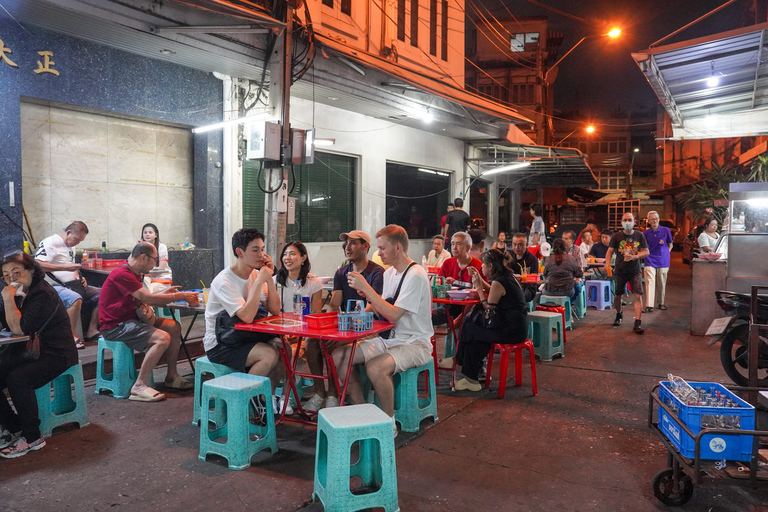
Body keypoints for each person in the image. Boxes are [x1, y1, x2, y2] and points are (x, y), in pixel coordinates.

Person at [331, 225, 433, 436]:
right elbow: (381, 309)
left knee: (376, 367)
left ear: (397, 247)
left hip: (415, 342)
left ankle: (388, 423)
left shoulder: (415, 274)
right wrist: (363, 304)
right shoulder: (389, 274)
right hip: (390, 339)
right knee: (339, 356)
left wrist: (367, 290)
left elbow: (394, 315)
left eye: (382, 248)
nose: (379, 253)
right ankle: (362, 410)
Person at [99, 242, 200, 402]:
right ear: (144, 257)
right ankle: (139, 386)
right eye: (154, 259)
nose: (155, 264)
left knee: (174, 327)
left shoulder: (135, 273)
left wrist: (167, 293)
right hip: (115, 326)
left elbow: (145, 298)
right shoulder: (122, 273)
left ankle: (171, 376)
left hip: (132, 320)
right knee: (162, 338)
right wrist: (180, 296)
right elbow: (148, 298)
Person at [0, 253, 78, 458]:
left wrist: (8, 298)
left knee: (18, 379)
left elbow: (20, 329)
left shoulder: (41, 293)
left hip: (57, 353)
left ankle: (33, 437)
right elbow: (8, 323)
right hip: (32, 351)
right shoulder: (21, 291)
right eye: (6, 275)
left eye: (16, 272)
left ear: (32, 271)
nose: (11, 278)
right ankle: (15, 426)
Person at [203, 229, 283, 419]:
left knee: (284, 349)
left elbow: (275, 310)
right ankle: (248, 404)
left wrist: (269, 278)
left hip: (245, 337)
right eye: (255, 250)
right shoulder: (224, 281)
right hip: (220, 343)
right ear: (240, 252)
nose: (261, 255)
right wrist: (259, 281)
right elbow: (247, 316)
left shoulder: (257, 275)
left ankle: (266, 398)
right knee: (269, 354)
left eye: (263, 249)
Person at [454, 249, 528, 391]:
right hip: (516, 326)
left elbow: (488, 309)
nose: (481, 267)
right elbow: (493, 291)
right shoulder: (506, 277)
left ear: (491, 266)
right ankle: (473, 371)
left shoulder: (499, 281)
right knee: (473, 325)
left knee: (472, 328)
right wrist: (480, 280)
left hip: (511, 330)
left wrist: (479, 289)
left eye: (483, 265)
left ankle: (471, 377)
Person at [275, 241, 329, 412]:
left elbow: (316, 315)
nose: (287, 258)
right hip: (279, 331)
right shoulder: (274, 282)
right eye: (285, 254)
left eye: (292, 254)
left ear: (303, 258)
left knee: (310, 343)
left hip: (303, 331)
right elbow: (270, 313)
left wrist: (300, 332)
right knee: (285, 348)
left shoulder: (313, 283)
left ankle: (317, 394)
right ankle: (282, 396)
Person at [34, 221, 100, 349]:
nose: (77, 243)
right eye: (76, 239)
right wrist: (65, 267)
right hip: (53, 286)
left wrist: (80, 276)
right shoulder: (50, 242)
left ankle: (92, 330)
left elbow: (71, 265)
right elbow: (38, 265)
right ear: (68, 233)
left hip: (74, 283)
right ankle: (71, 335)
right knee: (74, 298)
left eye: (80, 241)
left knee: (102, 294)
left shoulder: (71, 246)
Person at [604, 213, 649, 334]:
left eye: (630, 220)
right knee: (618, 296)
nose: (627, 222)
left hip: (635, 271)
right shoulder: (616, 236)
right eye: (625, 220)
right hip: (620, 270)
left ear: (634, 222)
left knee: (637, 295)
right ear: (621, 221)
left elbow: (646, 251)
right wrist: (607, 263)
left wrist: (636, 256)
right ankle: (619, 314)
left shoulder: (639, 236)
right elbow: (609, 251)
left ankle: (637, 323)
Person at [643, 211, 674, 313]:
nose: (654, 221)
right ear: (649, 221)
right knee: (650, 281)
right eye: (652, 219)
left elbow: (670, 244)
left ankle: (661, 302)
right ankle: (649, 305)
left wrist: (667, 253)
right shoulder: (646, 233)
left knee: (661, 281)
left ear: (659, 219)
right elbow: (643, 246)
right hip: (650, 259)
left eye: (656, 218)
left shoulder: (666, 230)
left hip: (663, 260)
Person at [140, 223, 173, 293]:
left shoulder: (162, 247)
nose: (147, 234)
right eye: (145, 232)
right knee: (142, 285)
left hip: (161, 279)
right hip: (147, 278)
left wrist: (145, 273)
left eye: (150, 232)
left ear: (156, 235)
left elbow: (161, 267)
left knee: (144, 290)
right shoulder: (140, 247)